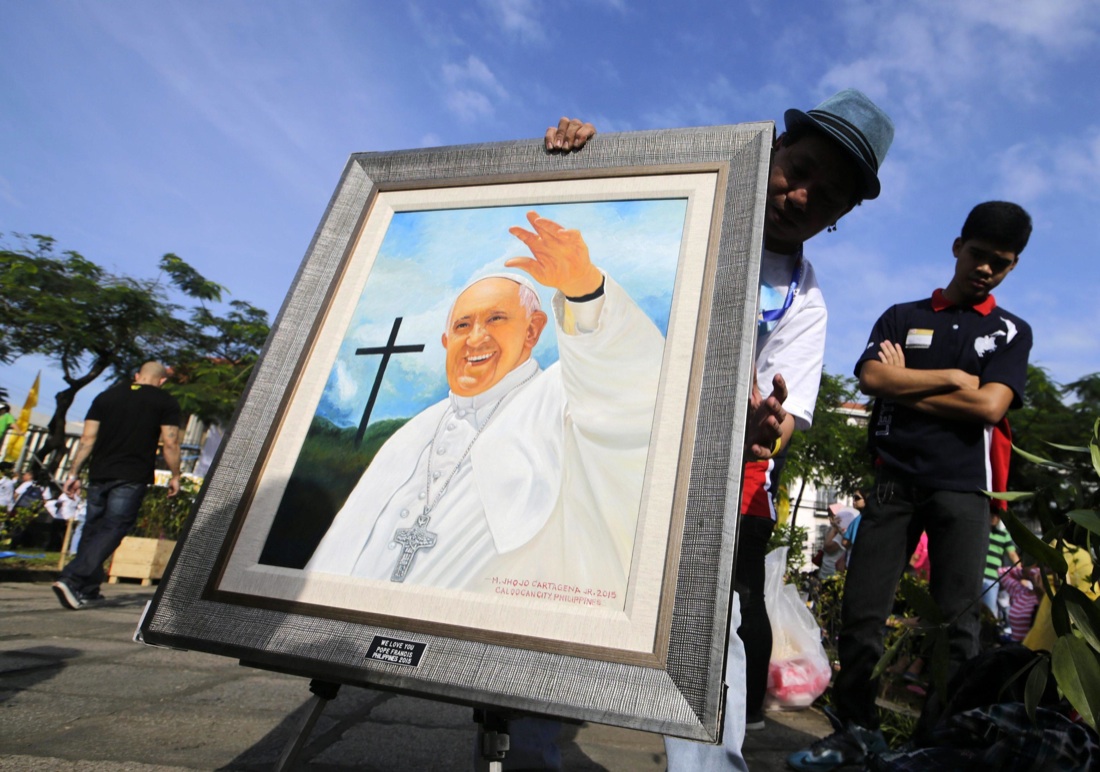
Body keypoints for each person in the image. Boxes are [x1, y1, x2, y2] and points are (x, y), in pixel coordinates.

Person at [551, 88, 895, 770]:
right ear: (770, 147)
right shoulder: (673, 216)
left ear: (840, 218)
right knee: (563, 594)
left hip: (715, 485)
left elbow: (788, 414)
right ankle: (534, 744)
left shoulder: (804, 295)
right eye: (798, 172)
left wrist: (766, 425)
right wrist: (584, 160)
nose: (800, 197)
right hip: (604, 452)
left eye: (825, 198)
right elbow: (587, 240)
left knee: (712, 635)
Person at [305, 211, 664, 600]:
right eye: (462, 326)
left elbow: (623, 387)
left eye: (496, 319)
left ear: (532, 330)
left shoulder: (561, 395)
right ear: (446, 342)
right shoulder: (414, 432)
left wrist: (584, 289)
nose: (475, 339)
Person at [789, 201, 1034, 770]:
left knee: (957, 626)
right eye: (978, 256)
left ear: (1012, 267)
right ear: (957, 247)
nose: (986, 270)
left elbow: (992, 405)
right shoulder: (902, 316)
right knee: (861, 616)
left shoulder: (1010, 331)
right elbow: (871, 376)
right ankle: (855, 731)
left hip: (964, 490)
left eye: (1001, 264)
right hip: (894, 483)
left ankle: (935, 745)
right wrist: (950, 377)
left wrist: (905, 385)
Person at [52, 361, 181, 610]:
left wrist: (73, 472)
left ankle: (87, 589)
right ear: (162, 380)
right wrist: (175, 475)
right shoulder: (165, 402)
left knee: (94, 528)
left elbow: (88, 438)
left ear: (136, 376)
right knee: (115, 526)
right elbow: (170, 442)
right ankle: (72, 578)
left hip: (99, 472)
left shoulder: (106, 396)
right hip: (132, 474)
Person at [983, 512, 1019, 630]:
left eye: (997, 515)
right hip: (977, 577)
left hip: (992, 579)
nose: (994, 517)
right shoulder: (982, 531)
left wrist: (1022, 574)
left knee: (990, 612)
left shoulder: (1004, 535)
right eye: (992, 514)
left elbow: (1012, 554)